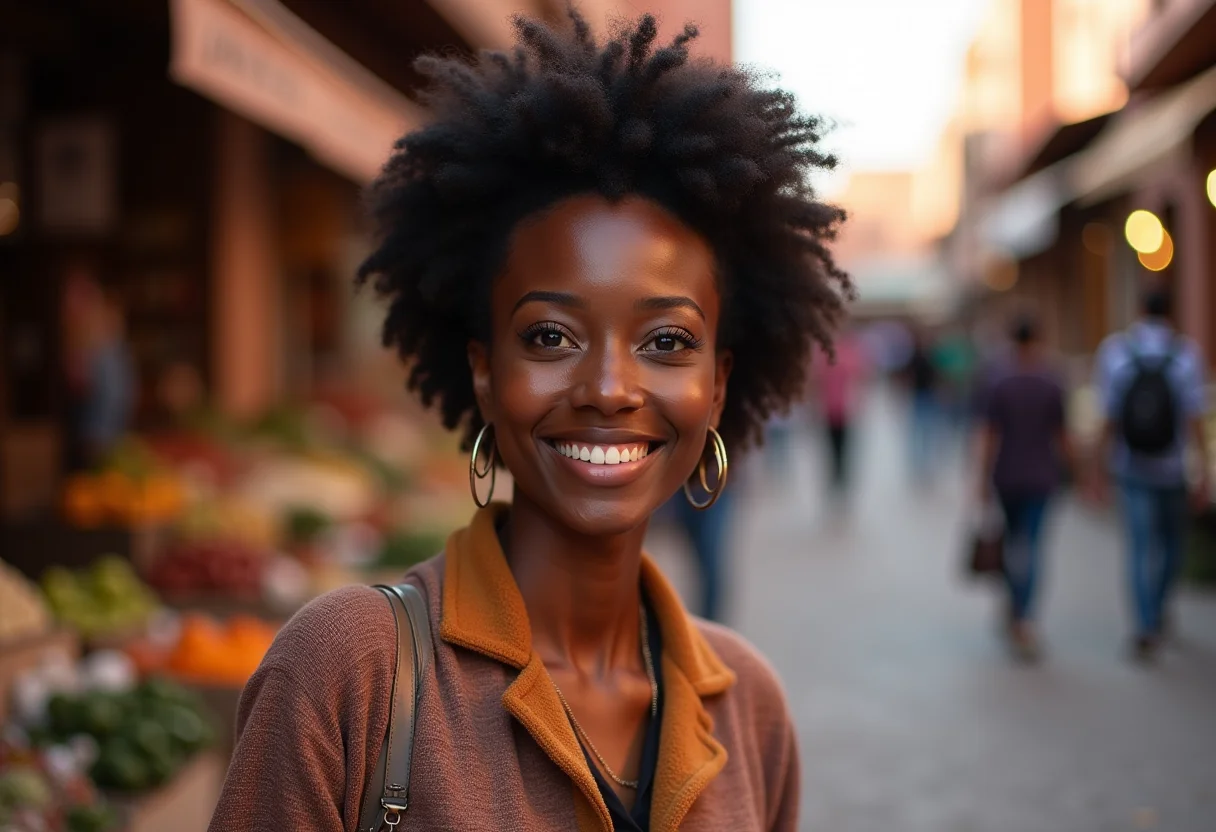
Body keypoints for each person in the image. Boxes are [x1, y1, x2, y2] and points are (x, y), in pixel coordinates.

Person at [207, 10, 849, 832]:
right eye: (551, 335)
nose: (611, 388)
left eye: (667, 340)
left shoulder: (750, 705)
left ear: (718, 385)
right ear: (483, 368)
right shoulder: (349, 670)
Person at [1093, 286, 1209, 661]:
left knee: (1140, 549)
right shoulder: (1187, 355)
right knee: (1171, 547)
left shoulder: (1116, 352)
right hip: (1173, 468)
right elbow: (1195, 419)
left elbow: (1108, 417)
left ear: (1139, 309)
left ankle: (1145, 624)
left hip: (1130, 466)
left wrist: (1096, 468)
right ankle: (1157, 612)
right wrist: (1203, 468)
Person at [977, 315, 1070, 661]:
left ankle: (1016, 609)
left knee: (1014, 543)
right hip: (1042, 477)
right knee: (1031, 547)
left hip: (1007, 476)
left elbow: (987, 435)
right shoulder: (1052, 381)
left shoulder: (999, 381)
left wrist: (980, 480)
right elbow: (1063, 435)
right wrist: (1076, 471)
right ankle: (1024, 617)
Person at [61, 268, 136, 471]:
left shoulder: (105, 353)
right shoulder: (103, 351)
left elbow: (112, 399)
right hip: (99, 437)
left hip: (97, 439)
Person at [809, 327, 869, 497]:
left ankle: (839, 479)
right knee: (835, 449)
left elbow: (860, 380)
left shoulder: (841, 354)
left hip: (842, 410)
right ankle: (837, 479)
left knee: (840, 449)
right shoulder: (839, 355)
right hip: (833, 410)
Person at [905, 329, 940, 481]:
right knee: (919, 431)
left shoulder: (930, 356)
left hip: (927, 396)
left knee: (926, 432)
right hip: (919, 396)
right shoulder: (915, 356)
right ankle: (918, 463)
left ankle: (924, 463)